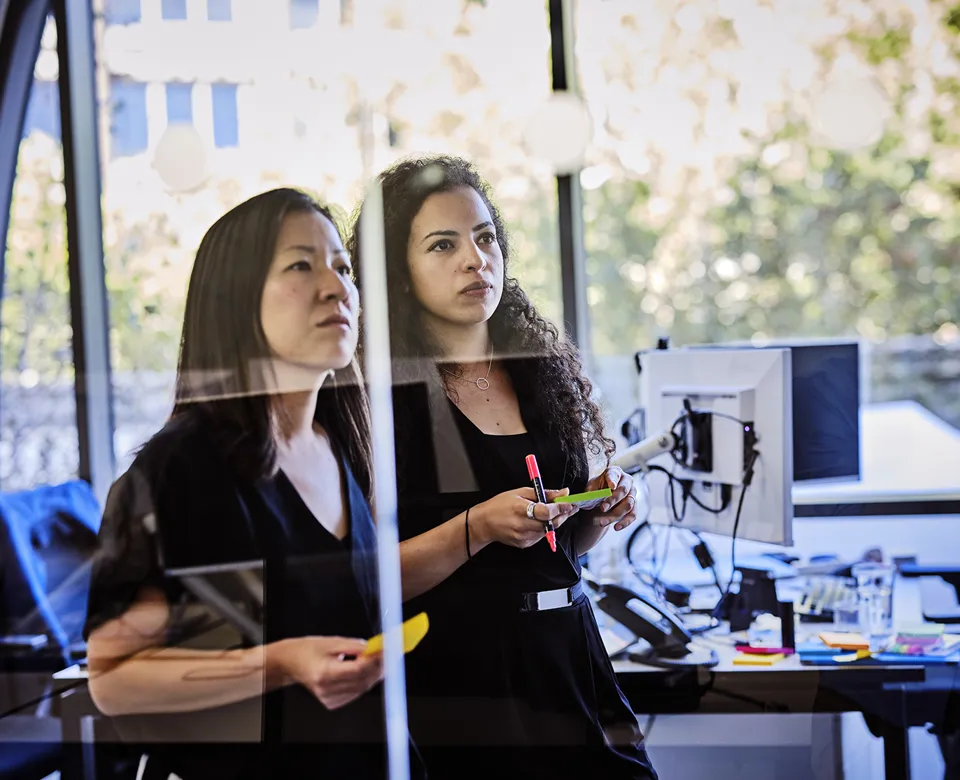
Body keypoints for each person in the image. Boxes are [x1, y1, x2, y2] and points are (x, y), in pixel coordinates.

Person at [84, 189, 424, 779]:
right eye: (301, 264)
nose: (336, 286)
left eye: (343, 267)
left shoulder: (339, 443)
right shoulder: (181, 468)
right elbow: (113, 680)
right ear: (236, 300)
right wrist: (282, 663)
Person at [349, 156, 659, 780]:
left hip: (570, 657)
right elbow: (360, 581)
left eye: (485, 236)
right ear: (398, 273)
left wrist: (602, 507)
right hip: (460, 681)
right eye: (443, 245)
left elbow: (561, 547)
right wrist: (475, 527)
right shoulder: (376, 397)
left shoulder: (543, 374)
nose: (475, 258)